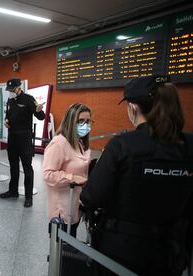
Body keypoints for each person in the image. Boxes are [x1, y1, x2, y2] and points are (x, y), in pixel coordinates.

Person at [80, 75, 193, 276]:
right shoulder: (188, 147)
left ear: (132, 107)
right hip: (170, 250)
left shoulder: (122, 145)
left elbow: (91, 196)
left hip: (121, 250)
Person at [42, 103, 92, 237]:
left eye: (88, 121)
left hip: (75, 205)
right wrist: (72, 178)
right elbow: (48, 174)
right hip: (62, 210)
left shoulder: (79, 142)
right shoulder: (59, 143)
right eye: (81, 121)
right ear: (71, 121)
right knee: (61, 252)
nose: (85, 125)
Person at [0, 78, 45, 207]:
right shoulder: (10, 100)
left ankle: (28, 197)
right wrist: (6, 122)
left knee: (27, 168)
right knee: (13, 166)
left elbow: (41, 117)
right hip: (12, 138)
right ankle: (13, 191)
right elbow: (8, 115)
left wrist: (39, 111)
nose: (11, 92)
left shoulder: (29, 99)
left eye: (13, 89)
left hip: (24, 139)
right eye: (9, 90)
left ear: (19, 87)